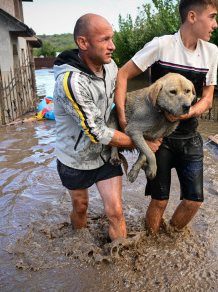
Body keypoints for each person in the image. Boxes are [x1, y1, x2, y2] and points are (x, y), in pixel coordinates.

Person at [114, 0, 218, 236]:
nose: (215, 24)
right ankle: (151, 242)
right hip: (157, 138)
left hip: (190, 136)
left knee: (194, 201)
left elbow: (207, 98)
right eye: (212, 17)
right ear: (192, 16)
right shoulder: (161, 45)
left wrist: (183, 114)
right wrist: (123, 122)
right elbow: (123, 75)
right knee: (159, 201)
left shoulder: (211, 52)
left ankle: (170, 236)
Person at [53, 14, 161, 241]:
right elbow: (96, 132)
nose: (112, 46)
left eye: (112, 38)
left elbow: (121, 100)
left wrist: (151, 120)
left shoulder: (110, 66)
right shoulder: (71, 83)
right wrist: (142, 143)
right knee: (81, 206)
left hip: (105, 155)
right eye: (105, 40)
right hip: (75, 158)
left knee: (115, 210)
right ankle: (78, 245)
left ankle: (119, 263)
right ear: (83, 43)